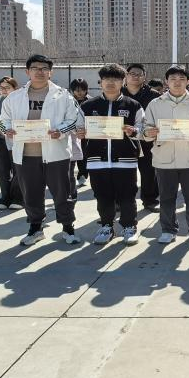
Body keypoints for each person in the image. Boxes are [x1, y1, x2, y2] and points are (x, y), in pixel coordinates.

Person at [1, 54, 82, 246]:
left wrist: (60, 131)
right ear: (27, 72)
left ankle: (68, 228)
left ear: (50, 72)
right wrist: (8, 130)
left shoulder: (63, 95)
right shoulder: (14, 97)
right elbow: (3, 121)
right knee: (31, 194)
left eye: (44, 68)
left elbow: (75, 120)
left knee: (62, 193)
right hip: (26, 155)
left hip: (56, 155)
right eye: (35, 68)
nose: (40, 72)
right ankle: (36, 228)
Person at [77, 64, 143, 246]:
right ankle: (106, 226)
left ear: (123, 82)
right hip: (97, 160)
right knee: (102, 196)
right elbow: (78, 127)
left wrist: (134, 131)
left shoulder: (133, 105)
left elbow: (143, 129)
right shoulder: (88, 106)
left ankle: (129, 226)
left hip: (125, 160)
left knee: (127, 196)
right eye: (106, 79)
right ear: (101, 82)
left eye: (115, 79)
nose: (111, 83)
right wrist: (80, 132)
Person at [142, 65, 189, 244]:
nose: (177, 83)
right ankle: (168, 229)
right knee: (166, 198)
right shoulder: (155, 104)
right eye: (173, 79)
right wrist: (148, 133)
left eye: (181, 79)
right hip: (164, 158)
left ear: (188, 81)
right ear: (166, 81)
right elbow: (145, 128)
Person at [122, 64, 161, 210]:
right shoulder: (118, 92)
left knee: (148, 171)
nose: (135, 76)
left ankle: (150, 200)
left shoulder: (154, 95)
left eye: (139, 74)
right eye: (132, 73)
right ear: (126, 76)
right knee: (123, 173)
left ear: (144, 77)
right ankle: (121, 201)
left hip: (146, 139)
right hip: (122, 139)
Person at [0, 76, 23, 210]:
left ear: (15, 88)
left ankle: (18, 198)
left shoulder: (20, 102)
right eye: (1, 88)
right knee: (2, 171)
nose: (4, 90)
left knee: (18, 170)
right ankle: (5, 198)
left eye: (7, 87)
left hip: (15, 141)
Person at [70, 78, 91, 186]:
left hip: (86, 132)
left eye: (82, 89)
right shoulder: (68, 101)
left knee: (84, 153)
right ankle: (70, 176)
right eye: (76, 89)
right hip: (71, 133)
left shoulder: (91, 101)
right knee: (73, 154)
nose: (79, 92)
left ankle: (83, 174)